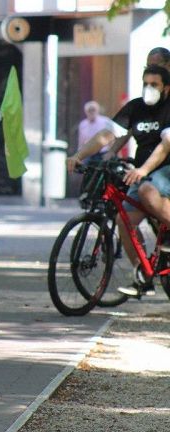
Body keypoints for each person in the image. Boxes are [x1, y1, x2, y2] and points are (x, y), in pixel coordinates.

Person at [67, 64, 170, 297]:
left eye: (154, 84)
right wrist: (78, 155)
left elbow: (166, 146)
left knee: (146, 191)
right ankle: (143, 274)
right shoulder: (135, 107)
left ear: (166, 88)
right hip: (145, 173)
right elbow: (107, 135)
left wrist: (143, 169)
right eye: (145, 84)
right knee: (124, 222)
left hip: (164, 169)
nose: (149, 88)